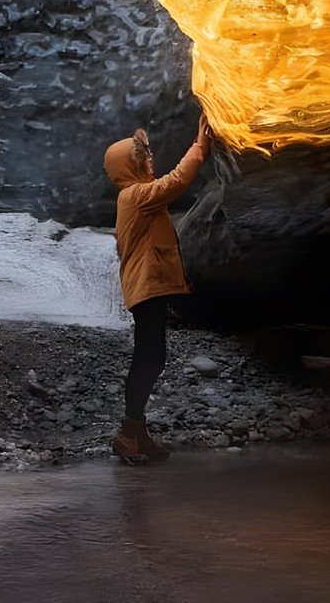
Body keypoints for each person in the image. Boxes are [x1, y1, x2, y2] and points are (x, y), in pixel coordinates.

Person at [102, 114, 212, 463]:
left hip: (149, 288)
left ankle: (138, 432)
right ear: (130, 167)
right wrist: (201, 145)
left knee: (153, 357)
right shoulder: (134, 196)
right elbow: (176, 181)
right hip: (145, 288)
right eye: (143, 156)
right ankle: (127, 434)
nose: (150, 159)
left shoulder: (134, 196)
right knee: (148, 359)